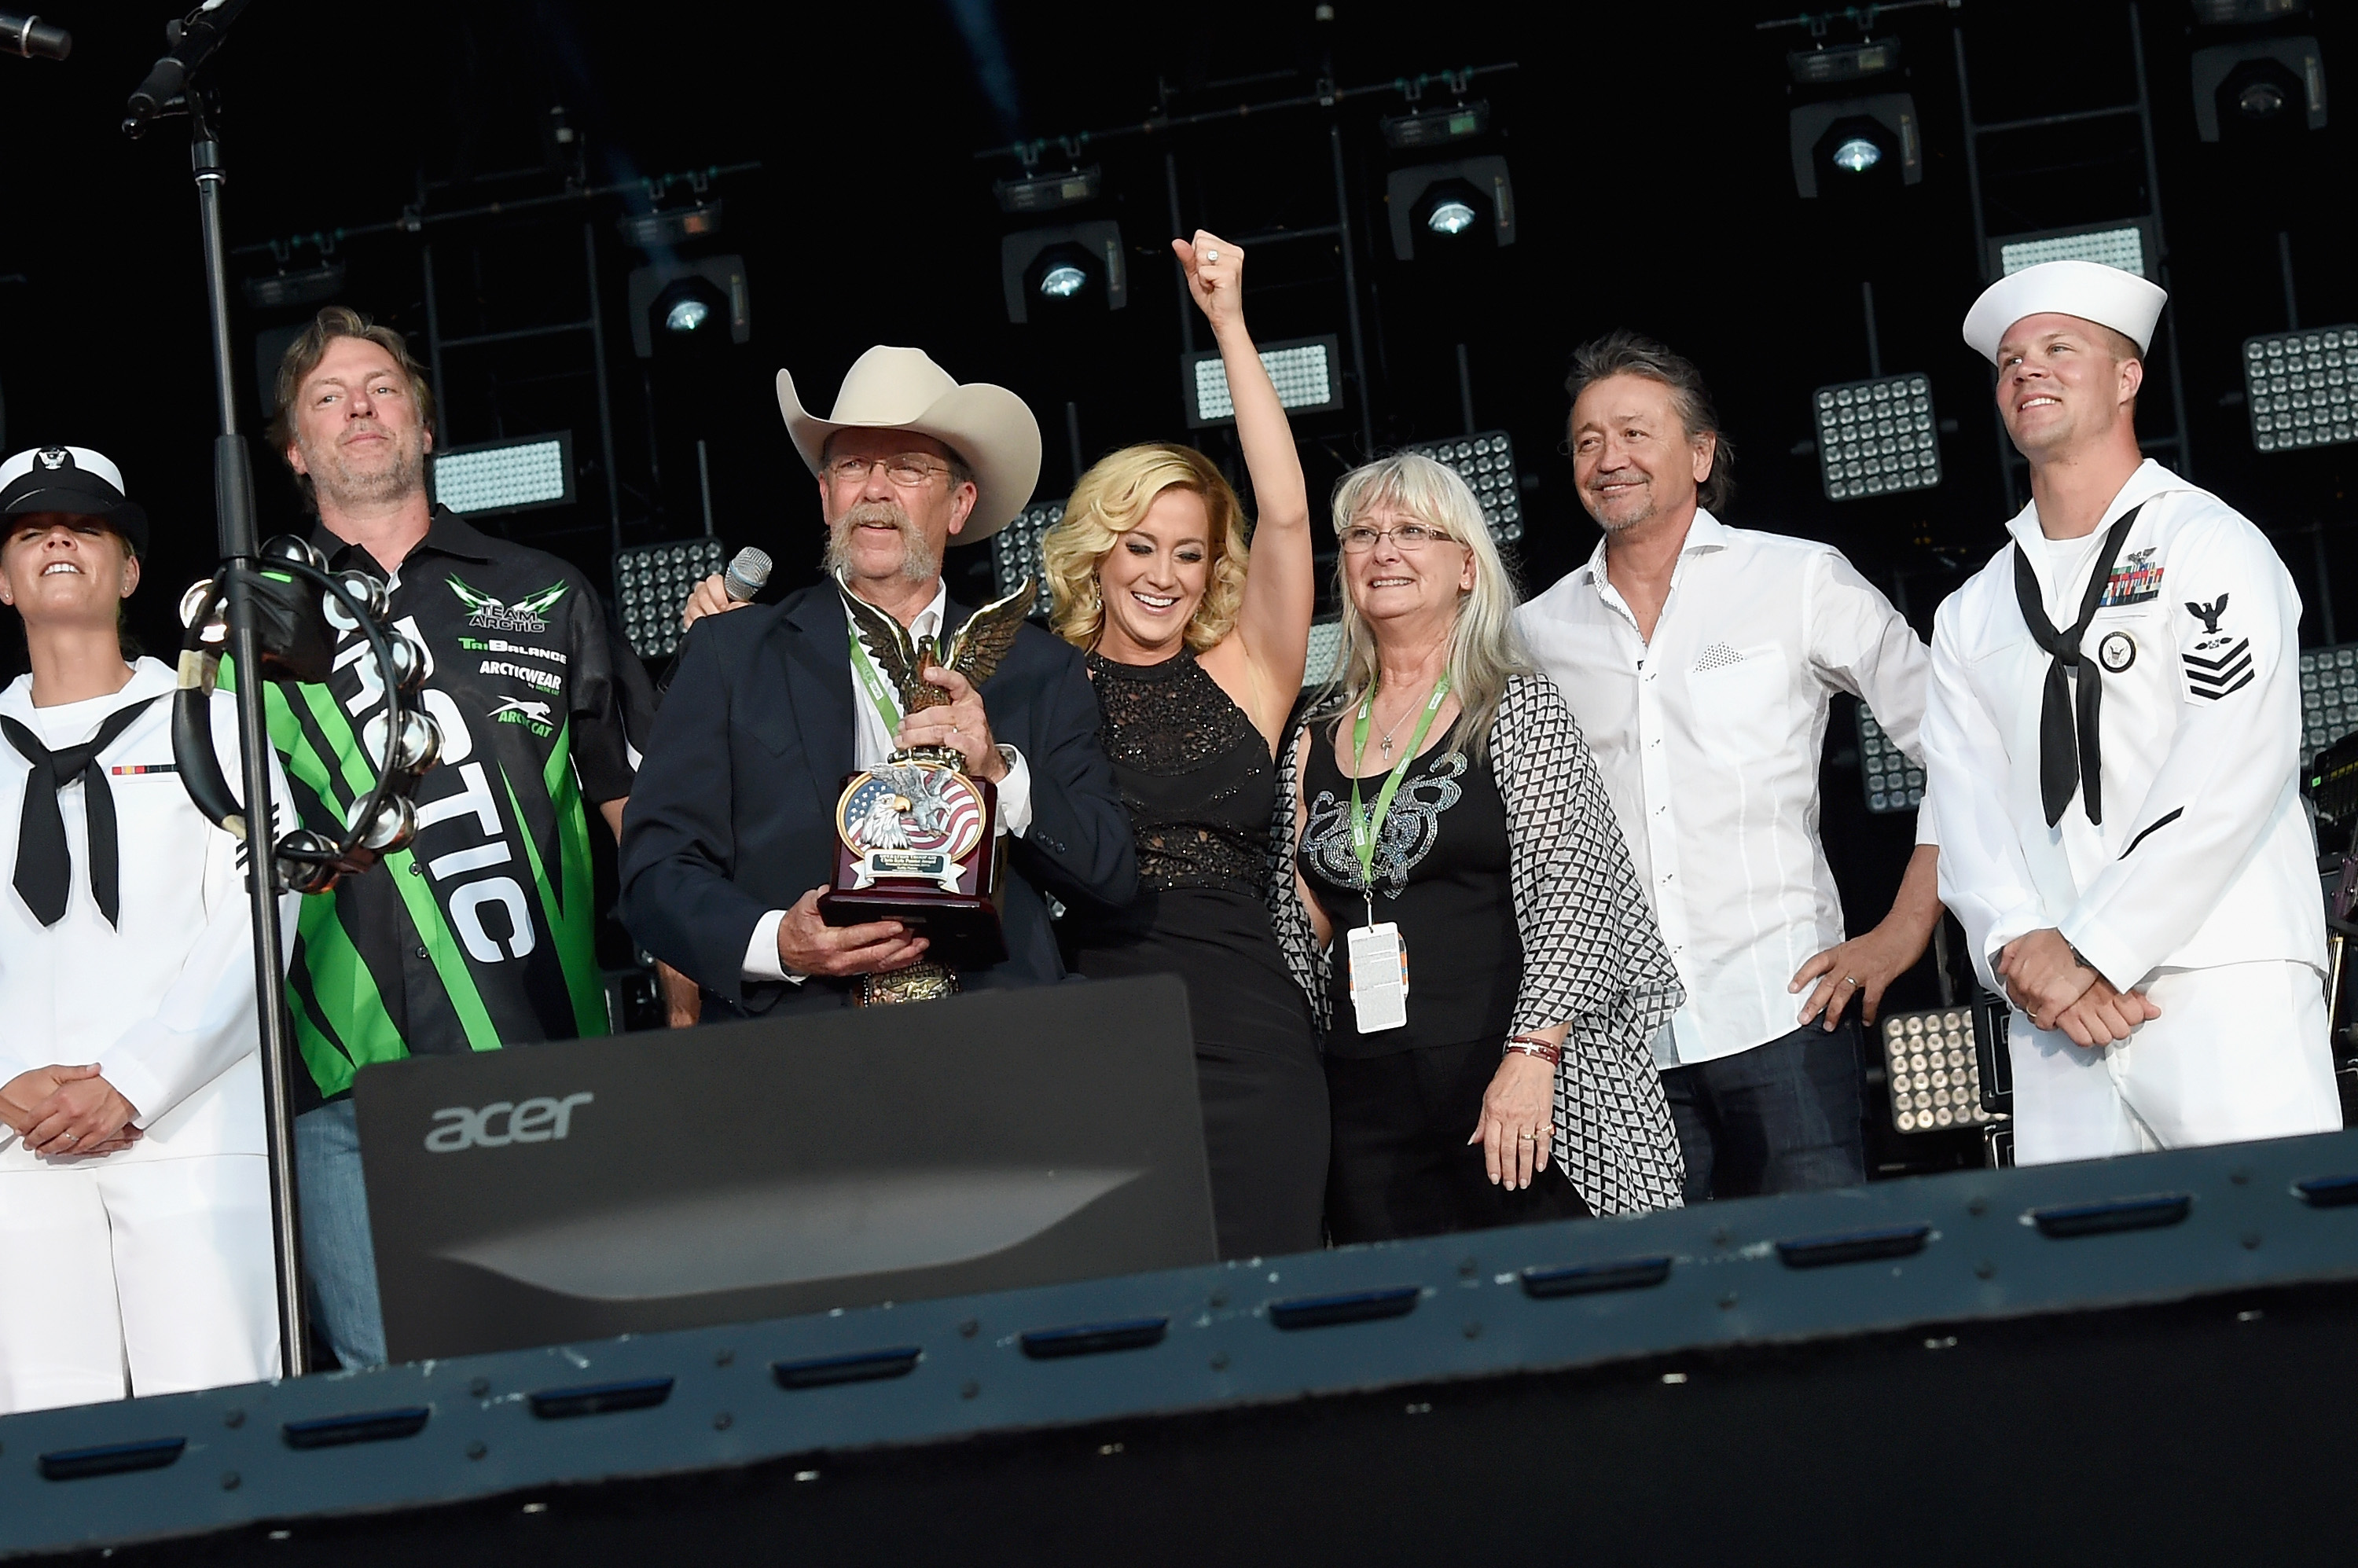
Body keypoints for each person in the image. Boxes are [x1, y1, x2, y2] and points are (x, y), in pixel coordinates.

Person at [259, 307, 652, 1369]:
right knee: (389, 1399)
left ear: (424, 427)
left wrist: (680, 980)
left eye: (382, 388)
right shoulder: (253, 623)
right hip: (338, 1081)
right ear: (295, 449)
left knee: (571, 1366)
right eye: (329, 397)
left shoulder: (545, 591)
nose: (360, 409)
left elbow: (638, 811)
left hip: (535, 1057)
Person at [1921, 260, 2337, 1162]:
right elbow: (1963, 810)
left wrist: (2093, 947)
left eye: (2059, 350)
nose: (2028, 370)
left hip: (2218, 969)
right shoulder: (1972, 610)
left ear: (2126, 377)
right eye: (2010, 361)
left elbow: (2232, 763)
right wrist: (2024, 950)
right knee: (2088, 1252)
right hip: (2053, 1014)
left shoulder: (2209, 543)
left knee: (2275, 1237)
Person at [1516, 332, 1945, 1200]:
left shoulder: (1797, 579)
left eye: (1635, 433)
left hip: (1784, 1012)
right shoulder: (1535, 632)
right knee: (1665, 1286)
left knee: (1824, 1270)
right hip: (1619, 1052)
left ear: (1701, 454)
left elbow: (1963, 747)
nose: (1609, 458)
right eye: (1588, 441)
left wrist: (1905, 927)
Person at [619, 346, 1135, 1012]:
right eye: (853, 465)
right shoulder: (732, 655)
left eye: (908, 467)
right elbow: (654, 874)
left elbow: (1110, 875)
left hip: (995, 1038)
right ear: (826, 495)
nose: (875, 490)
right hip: (808, 1048)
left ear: (960, 504)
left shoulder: (1040, 668)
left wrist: (1001, 774)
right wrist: (779, 943)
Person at [1273, 453, 1685, 1241]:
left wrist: (1532, 1059)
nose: (1384, 550)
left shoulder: (1517, 707)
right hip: (1365, 1105)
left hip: (1515, 1084)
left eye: (1411, 531)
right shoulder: (1312, 740)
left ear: (1467, 567)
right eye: (1363, 534)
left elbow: (1575, 900)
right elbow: (1298, 933)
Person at [1043, 231, 1325, 1259]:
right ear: (1098, 552)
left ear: (1214, 569)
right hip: (1100, 1047)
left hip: (1256, 1042)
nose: (1163, 574)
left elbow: (1286, 514)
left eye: (1190, 552)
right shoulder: (1045, 686)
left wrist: (1230, 325)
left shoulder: (1248, 671)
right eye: (1141, 546)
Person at [0, 445, 296, 1414]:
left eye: (85, 528)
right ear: (3, 581)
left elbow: (263, 913)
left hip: (189, 1133)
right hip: (15, 1147)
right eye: (32, 532)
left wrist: (135, 1077)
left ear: (128, 572)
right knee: (41, 1447)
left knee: (223, 1430)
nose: (58, 543)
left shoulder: (214, 725)